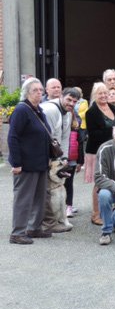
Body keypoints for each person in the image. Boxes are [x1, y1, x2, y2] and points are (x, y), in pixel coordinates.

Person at [8, 78, 51, 244]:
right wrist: (16, 163)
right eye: (35, 90)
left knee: (40, 198)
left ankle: (34, 228)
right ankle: (17, 232)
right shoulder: (21, 110)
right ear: (26, 92)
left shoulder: (37, 110)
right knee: (23, 199)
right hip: (25, 164)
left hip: (40, 163)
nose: (39, 93)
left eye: (41, 90)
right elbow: (12, 137)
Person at [41, 87, 80, 233]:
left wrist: (64, 158)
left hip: (55, 154)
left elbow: (65, 137)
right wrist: (50, 160)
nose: (71, 103)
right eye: (69, 99)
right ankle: (46, 222)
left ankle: (55, 220)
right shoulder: (50, 110)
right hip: (44, 155)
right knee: (44, 190)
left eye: (74, 101)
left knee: (55, 188)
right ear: (62, 96)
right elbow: (45, 136)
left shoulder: (68, 114)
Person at [85, 82, 115, 226]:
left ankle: (113, 209)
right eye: (100, 93)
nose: (104, 96)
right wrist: (113, 132)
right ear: (95, 95)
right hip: (97, 151)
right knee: (99, 183)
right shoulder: (91, 112)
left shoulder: (113, 107)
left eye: (105, 93)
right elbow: (93, 134)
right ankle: (96, 214)